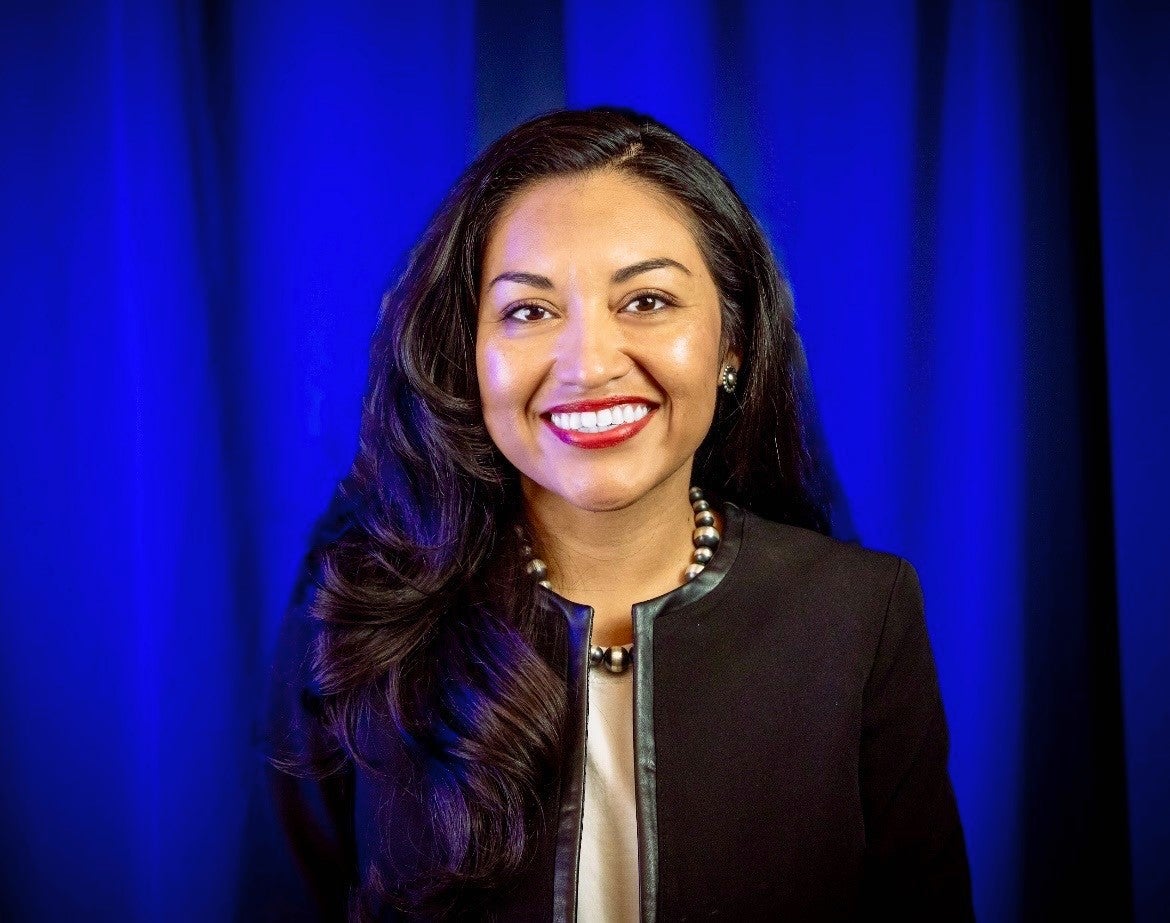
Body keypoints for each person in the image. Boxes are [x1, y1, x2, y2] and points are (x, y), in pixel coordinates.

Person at [246, 106, 975, 922]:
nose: (589, 364)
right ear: (468, 355)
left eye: (648, 301)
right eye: (528, 311)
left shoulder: (860, 618)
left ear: (733, 343)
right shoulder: (357, 614)